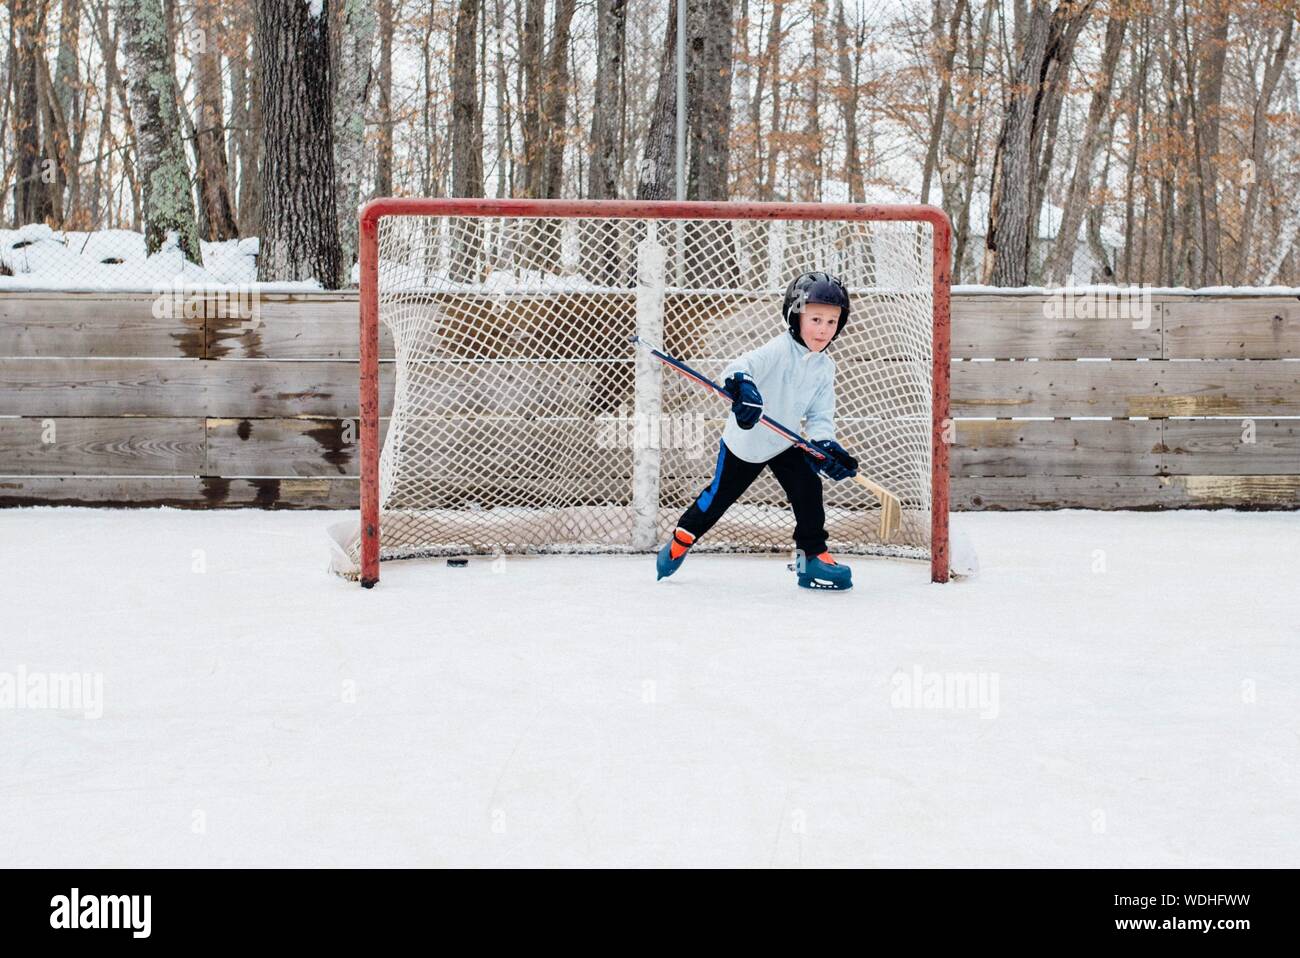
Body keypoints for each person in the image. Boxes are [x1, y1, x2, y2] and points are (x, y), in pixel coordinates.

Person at [656, 271, 861, 591]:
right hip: (746, 443)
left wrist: (826, 446)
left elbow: (820, 415)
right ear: (795, 316)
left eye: (832, 322)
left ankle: (811, 561)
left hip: (784, 441)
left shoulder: (825, 367)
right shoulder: (779, 350)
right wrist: (744, 389)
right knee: (718, 499)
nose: (823, 329)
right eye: (816, 319)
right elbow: (738, 367)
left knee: (808, 489)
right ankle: (682, 538)